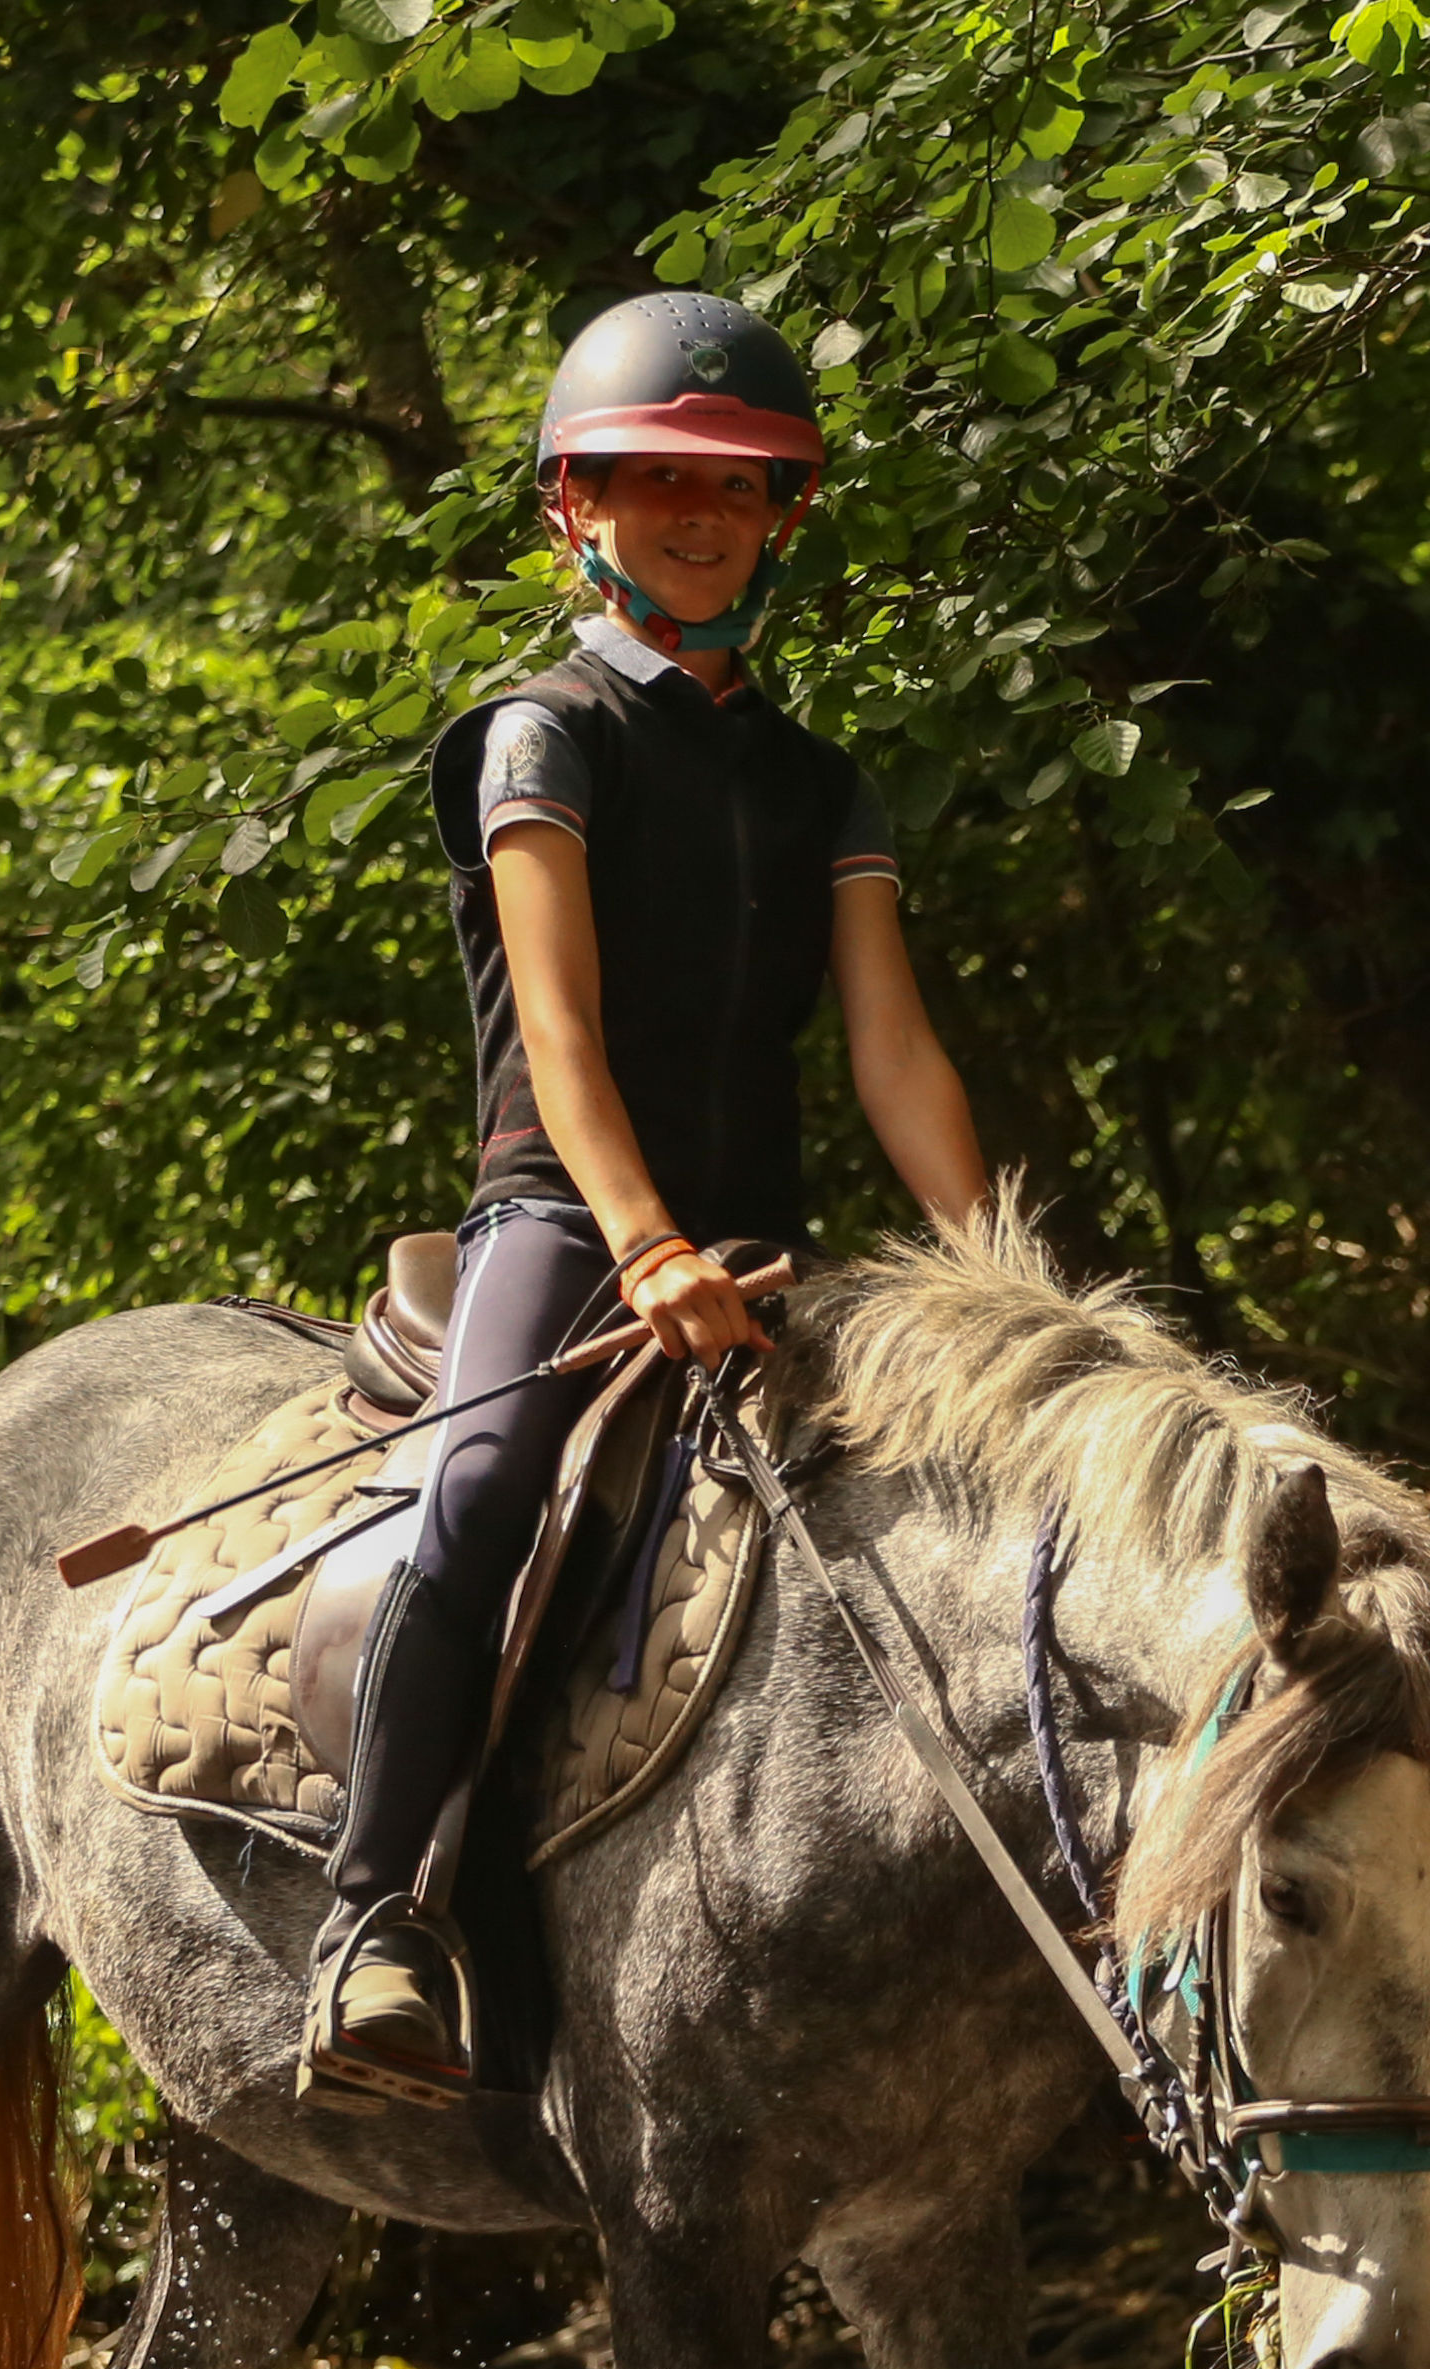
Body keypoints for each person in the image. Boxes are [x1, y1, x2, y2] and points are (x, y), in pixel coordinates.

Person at [301, 290, 989, 2105]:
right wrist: (646, 1241)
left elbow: (893, 1053)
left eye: (742, 488)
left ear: (782, 520)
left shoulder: (823, 779)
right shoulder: (541, 737)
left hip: (766, 1244)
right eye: (656, 482)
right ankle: (375, 1923)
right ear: (575, 508)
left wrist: (998, 1267)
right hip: (568, 1218)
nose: (701, 514)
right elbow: (562, 1031)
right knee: (477, 1494)